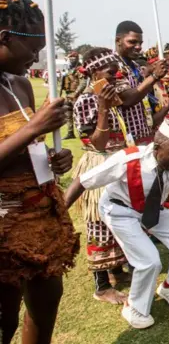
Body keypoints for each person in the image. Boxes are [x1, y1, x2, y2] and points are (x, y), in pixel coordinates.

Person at [65, 120, 169, 329]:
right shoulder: (127, 159)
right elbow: (82, 181)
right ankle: (134, 308)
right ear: (157, 147)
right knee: (149, 260)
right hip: (120, 211)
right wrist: (60, 215)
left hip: (153, 209)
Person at [0, 0, 79, 344]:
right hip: (3, 223)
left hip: (39, 214)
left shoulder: (20, 85)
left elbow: (24, 148)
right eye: (32, 50)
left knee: (46, 303)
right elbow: (23, 135)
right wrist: (34, 128)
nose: (37, 59)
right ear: (4, 37)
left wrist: (51, 157)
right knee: (5, 318)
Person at [72, 48, 131, 305]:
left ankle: (117, 268)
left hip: (117, 163)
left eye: (117, 72)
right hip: (99, 165)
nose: (116, 77)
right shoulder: (86, 101)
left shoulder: (112, 93)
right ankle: (102, 285)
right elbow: (96, 144)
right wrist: (103, 108)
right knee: (99, 223)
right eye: (110, 73)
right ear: (94, 73)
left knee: (119, 218)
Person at [114, 20, 168, 145]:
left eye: (140, 43)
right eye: (132, 42)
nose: (138, 46)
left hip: (144, 136)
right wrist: (154, 76)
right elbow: (126, 100)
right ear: (118, 41)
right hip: (124, 142)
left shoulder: (136, 67)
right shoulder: (112, 67)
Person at [60, 50, 87, 139]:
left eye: (73, 58)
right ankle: (70, 133)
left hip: (76, 95)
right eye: (70, 58)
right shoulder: (68, 68)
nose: (71, 59)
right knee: (68, 115)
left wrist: (76, 93)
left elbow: (83, 82)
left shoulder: (79, 68)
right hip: (68, 94)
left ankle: (83, 132)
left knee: (79, 115)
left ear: (77, 58)